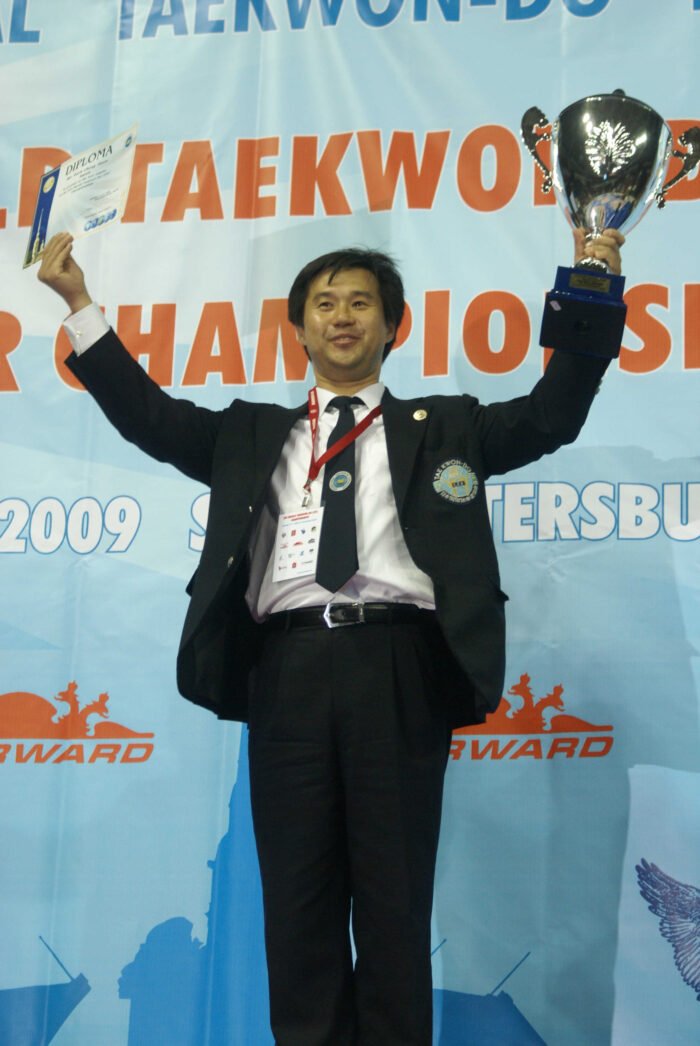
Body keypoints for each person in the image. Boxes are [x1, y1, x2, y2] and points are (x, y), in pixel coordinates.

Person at [37, 228, 624, 1046]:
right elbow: (148, 416)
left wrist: (593, 285)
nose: (341, 317)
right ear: (299, 329)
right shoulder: (250, 435)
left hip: (399, 668)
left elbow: (552, 415)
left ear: (394, 326)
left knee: (393, 907)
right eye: (323, 304)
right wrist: (78, 304)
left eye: (360, 303)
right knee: (297, 909)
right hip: (287, 671)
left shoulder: (447, 427)